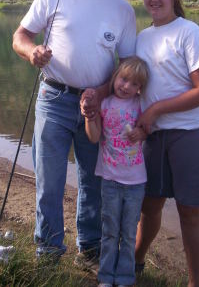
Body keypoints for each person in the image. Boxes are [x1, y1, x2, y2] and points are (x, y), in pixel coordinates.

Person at [12, 0, 136, 268]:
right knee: (49, 180)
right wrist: (31, 52)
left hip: (97, 105)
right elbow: (20, 35)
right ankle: (49, 253)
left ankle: (90, 249)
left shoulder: (123, 10)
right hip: (53, 97)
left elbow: (126, 67)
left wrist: (100, 92)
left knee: (92, 181)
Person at [133, 0, 199, 287]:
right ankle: (137, 261)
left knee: (189, 212)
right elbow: (139, 86)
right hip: (155, 136)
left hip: (193, 133)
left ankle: (195, 282)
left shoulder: (190, 32)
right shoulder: (142, 37)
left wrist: (155, 109)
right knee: (149, 205)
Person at [83, 56, 149, 287]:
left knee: (129, 233)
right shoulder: (104, 104)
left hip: (135, 182)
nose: (125, 86)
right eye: (123, 79)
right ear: (115, 77)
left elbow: (150, 128)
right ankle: (105, 277)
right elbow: (93, 137)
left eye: (133, 84)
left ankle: (124, 278)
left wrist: (142, 133)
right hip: (109, 179)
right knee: (110, 231)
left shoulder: (142, 105)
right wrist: (89, 116)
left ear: (140, 88)